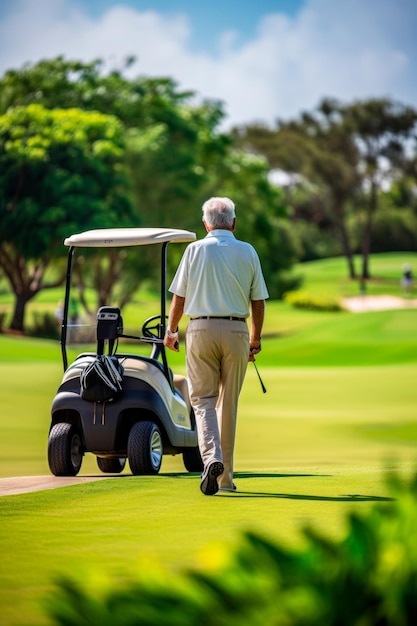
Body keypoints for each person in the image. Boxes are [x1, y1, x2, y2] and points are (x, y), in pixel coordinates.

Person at [164, 197, 269, 496]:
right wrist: (255, 338)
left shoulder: (194, 250)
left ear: (205, 224)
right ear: (234, 223)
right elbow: (258, 301)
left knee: (203, 402)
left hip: (200, 329)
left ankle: (211, 459)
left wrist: (171, 331)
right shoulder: (248, 251)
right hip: (237, 329)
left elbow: (180, 299)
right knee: (228, 405)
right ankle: (225, 480)